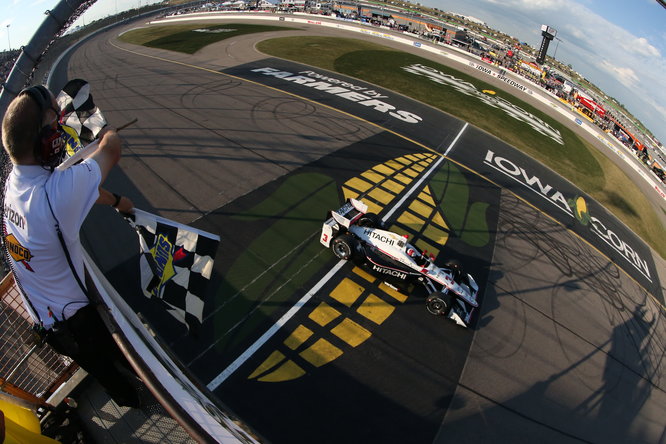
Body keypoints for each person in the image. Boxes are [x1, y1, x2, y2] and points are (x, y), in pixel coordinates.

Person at [1, 84, 142, 408]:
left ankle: (127, 396)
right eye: (56, 127)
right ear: (47, 140)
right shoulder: (57, 195)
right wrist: (91, 118)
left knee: (106, 371)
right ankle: (140, 400)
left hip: (49, 323)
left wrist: (117, 201)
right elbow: (111, 146)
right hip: (79, 323)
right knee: (124, 366)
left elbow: (81, 191)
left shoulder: (14, 183)